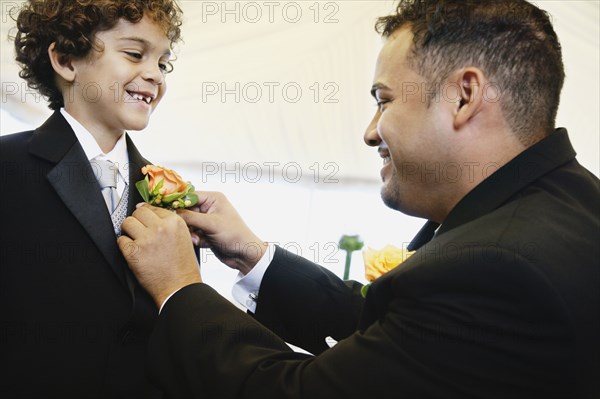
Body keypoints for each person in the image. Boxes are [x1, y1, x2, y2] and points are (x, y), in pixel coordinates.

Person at [118, 0, 599, 398]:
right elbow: (394, 333)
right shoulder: (570, 205)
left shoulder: (497, 267)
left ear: (463, 95)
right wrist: (256, 256)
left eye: (383, 100)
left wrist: (180, 287)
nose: (371, 133)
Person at [0, 0, 182, 397]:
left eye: (163, 63)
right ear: (66, 60)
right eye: (135, 54)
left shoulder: (170, 192)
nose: (154, 75)